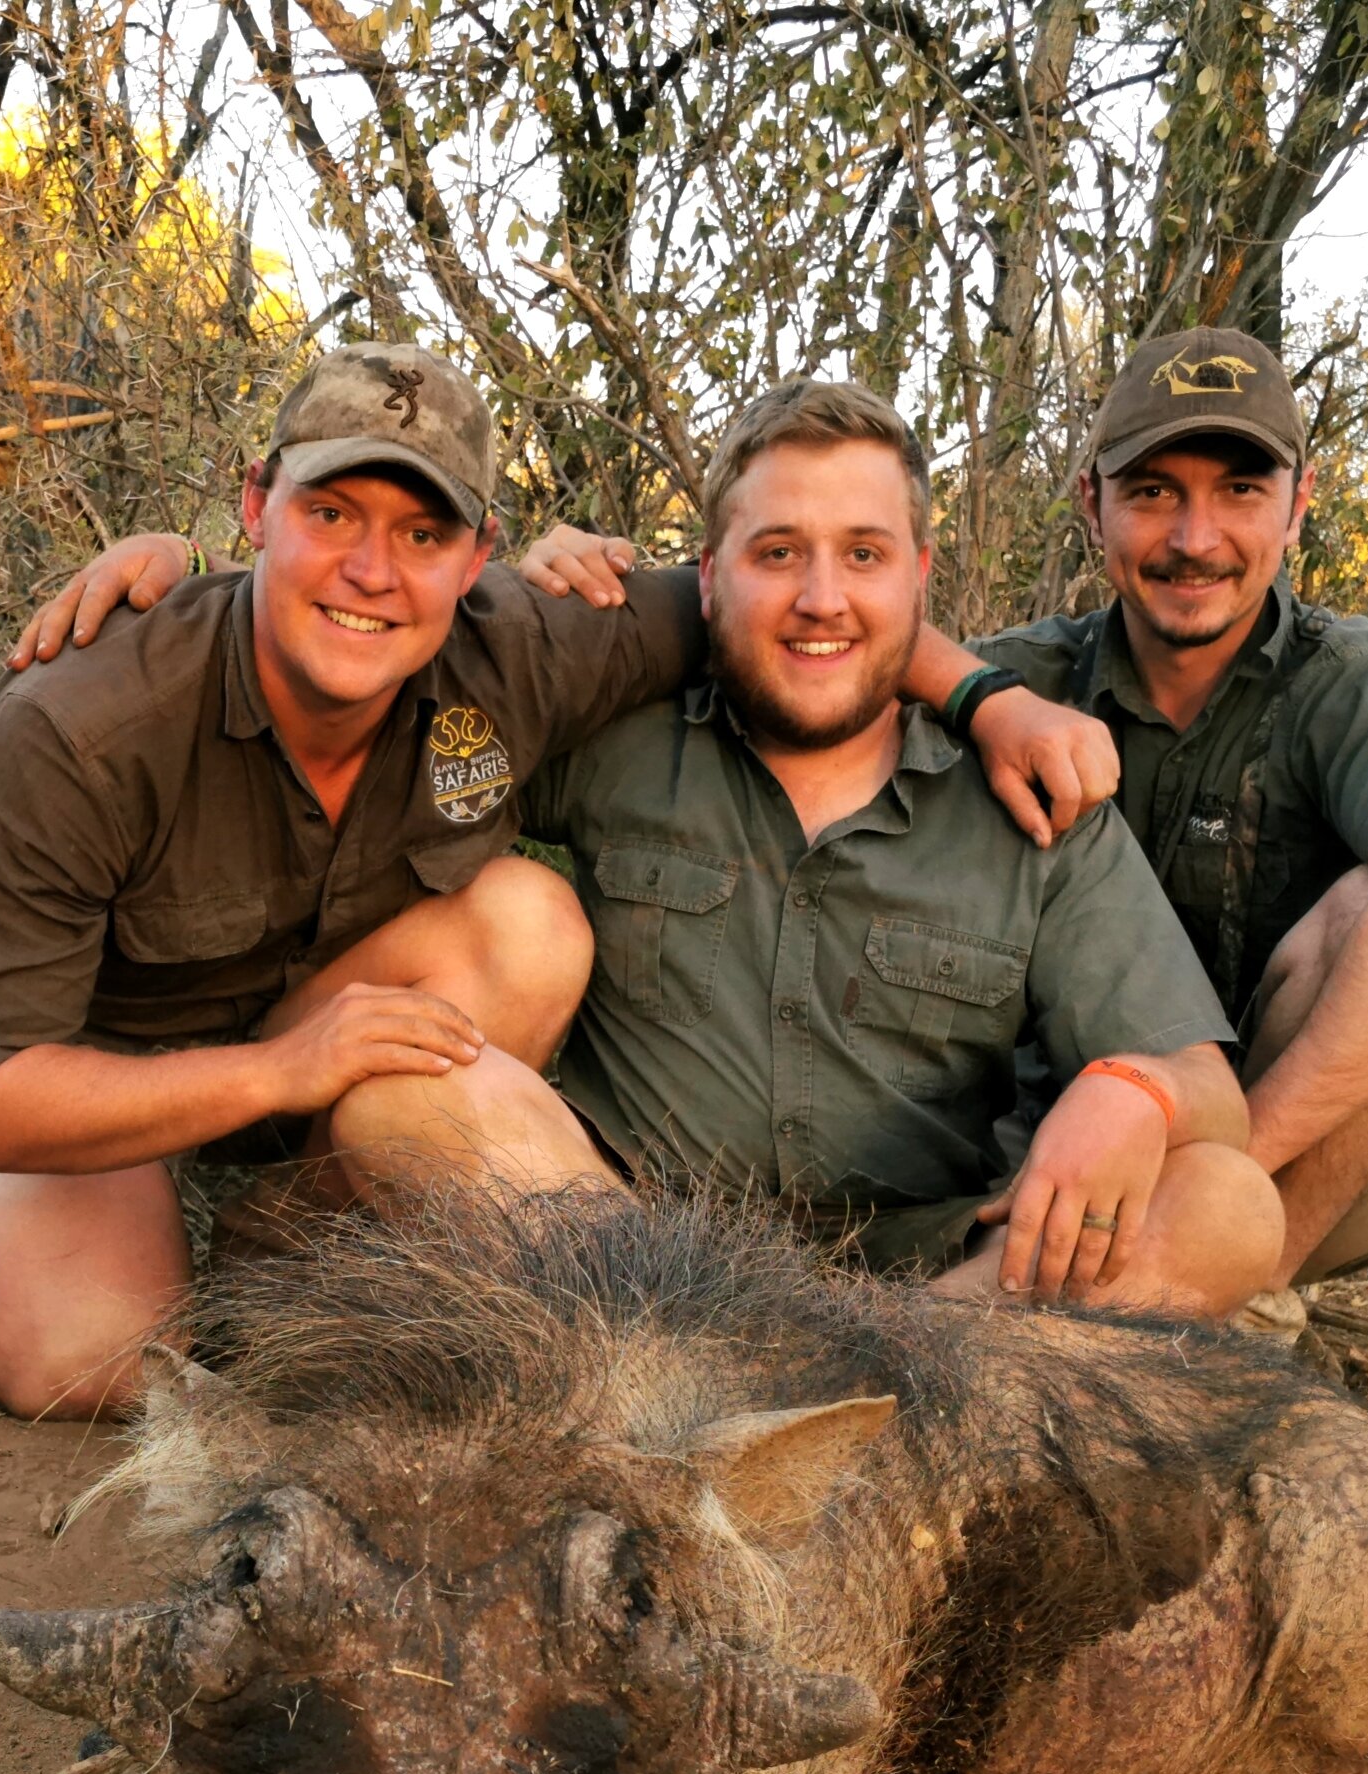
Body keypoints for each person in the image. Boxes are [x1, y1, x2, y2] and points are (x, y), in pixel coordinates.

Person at [0, 347, 1112, 1418]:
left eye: (423, 532)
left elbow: (780, 603)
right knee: (88, 1360)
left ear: (478, 557)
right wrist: (283, 1078)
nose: (371, 571)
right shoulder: (83, 721)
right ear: (254, 508)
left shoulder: (512, 647)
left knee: (527, 928)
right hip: (62, 1050)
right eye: (331, 514)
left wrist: (985, 697)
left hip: (275, 1022)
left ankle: (263, 1256)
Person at [64, 382, 1281, 1313]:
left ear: (918, 578)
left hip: (925, 1292)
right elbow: (361, 654)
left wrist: (1134, 1089)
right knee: (403, 1098)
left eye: (861, 555)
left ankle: (838, 1382)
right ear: (704, 581)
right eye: (775, 554)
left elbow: (1213, 1104)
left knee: (1222, 1203)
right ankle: (763, 1380)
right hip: (609, 1246)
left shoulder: (1029, 796)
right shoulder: (610, 736)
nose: (819, 598)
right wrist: (189, 599)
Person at [519, 329, 1368, 1291]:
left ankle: (1245, 1309)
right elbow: (834, 647)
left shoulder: (1355, 686)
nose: (1194, 536)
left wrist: (1154, 1106)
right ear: (1091, 507)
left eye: (1238, 490)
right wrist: (552, 616)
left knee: (1276, 1126)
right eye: (1150, 493)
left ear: (1297, 504)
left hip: (1281, 1134)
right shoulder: (1012, 694)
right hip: (723, 1225)